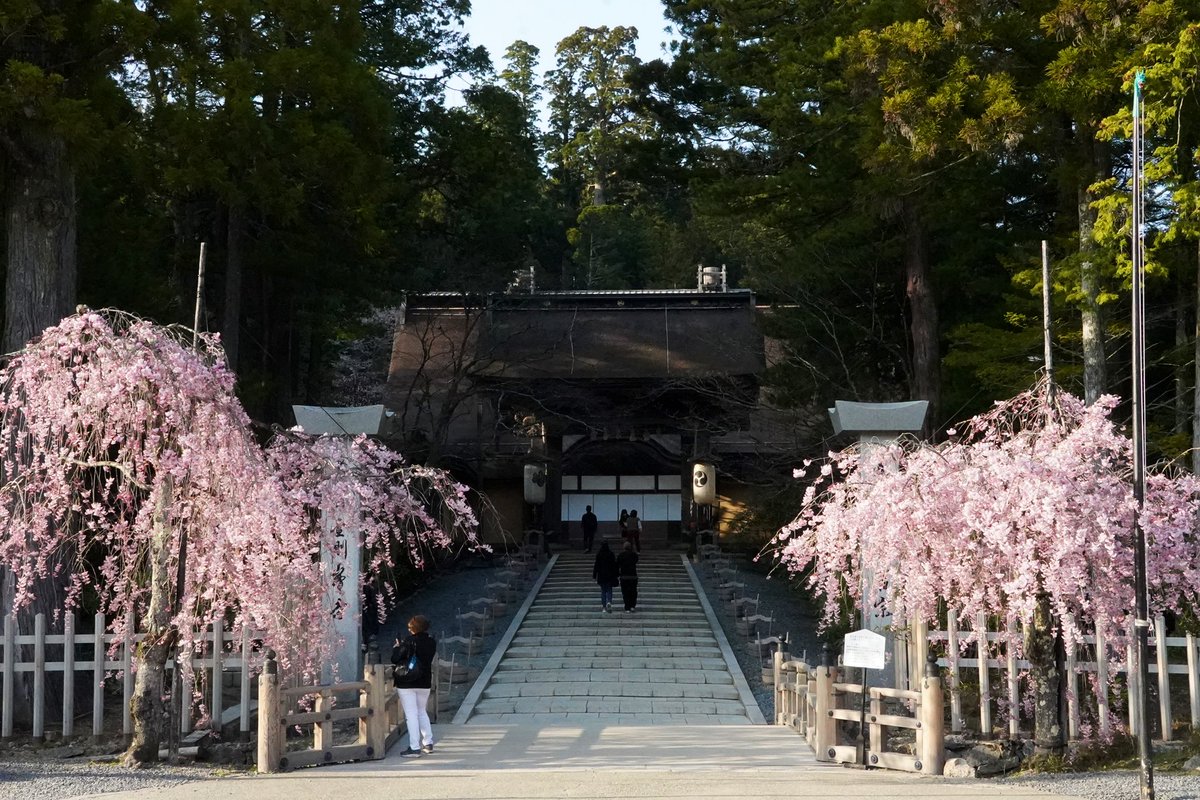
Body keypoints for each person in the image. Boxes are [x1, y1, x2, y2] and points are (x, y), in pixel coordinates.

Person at [392, 614, 437, 758]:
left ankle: (414, 747)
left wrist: (397, 647)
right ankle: (428, 742)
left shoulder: (408, 642)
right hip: (424, 681)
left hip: (407, 682)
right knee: (421, 711)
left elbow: (395, 658)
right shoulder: (431, 642)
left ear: (413, 628)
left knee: (411, 714)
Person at [592, 540, 618, 612]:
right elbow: (614, 565)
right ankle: (609, 601)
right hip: (610, 575)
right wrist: (616, 574)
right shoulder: (611, 554)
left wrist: (594, 575)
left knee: (603, 591)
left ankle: (604, 607)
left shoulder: (599, 554)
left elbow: (596, 566)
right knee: (609, 590)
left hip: (601, 576)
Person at [616, 540, 639, 612]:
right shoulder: (634, 555)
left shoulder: (621, 555)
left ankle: (627, 607)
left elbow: (617, 565)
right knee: (633, 591)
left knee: (625, 592)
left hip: (624, 576)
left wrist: (617, 574)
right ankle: (632, 605)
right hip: (633, 575)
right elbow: (636, 561)